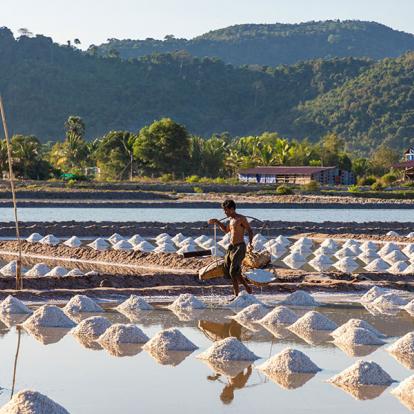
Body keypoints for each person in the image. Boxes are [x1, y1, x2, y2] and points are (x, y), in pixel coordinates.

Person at [208, 199, 253, 300]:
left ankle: (236, 295)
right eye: (224, 211)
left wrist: (250, 243)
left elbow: (250, 230)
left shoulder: (241, 218)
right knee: (230, 270)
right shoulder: (231, 220)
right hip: (231, 247)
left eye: (226, 210)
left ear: (232, 209)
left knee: (233, 271)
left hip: (240, 247)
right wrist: (216, 221)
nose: (225, 212)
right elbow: (225, 230)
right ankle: (247, 288)